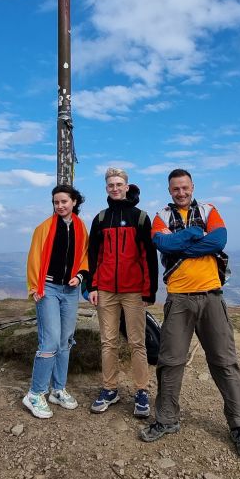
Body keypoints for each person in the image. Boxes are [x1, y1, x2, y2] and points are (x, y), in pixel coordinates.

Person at [139, 169, 240, 460]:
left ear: (192, 187)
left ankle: (239, 427)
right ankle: (166, 419)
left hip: (211, 295)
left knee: (225, 361)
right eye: (175, 189)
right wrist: (195, 234)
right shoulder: (161, 216)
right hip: (179, 298)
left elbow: (218, 241)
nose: (180, 192)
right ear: (170, 191)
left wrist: (183, 243)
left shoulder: (209, 209)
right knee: (169, 361)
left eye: (184, 187)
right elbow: (163, 244)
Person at [84, 168, 159, 418]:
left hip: (134, 291)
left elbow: (149, 257)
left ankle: (141, 391)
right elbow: (93, 256)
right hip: (105, 289)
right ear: (106, 188)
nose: (114, 188)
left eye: (119, 184)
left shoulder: (140, 218)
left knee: (138, 343)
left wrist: (150, 290)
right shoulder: (101, 219)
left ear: (127, 187)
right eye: (110, 185)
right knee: (108, 342)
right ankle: (110, 389)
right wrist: (91, 287)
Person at [22, 184, 89, 419]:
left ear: (74, 202)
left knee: (65, 340)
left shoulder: (81, 227)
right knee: (49, 342)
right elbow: (34, 257)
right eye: (56, 202)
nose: (59, 206)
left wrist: (80, 276)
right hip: (48, 288)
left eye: (64, 201)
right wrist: (34, 287)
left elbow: (84, 257)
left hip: (70, 290)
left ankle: (57, 390)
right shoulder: (45, 228)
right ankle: (35, 393)